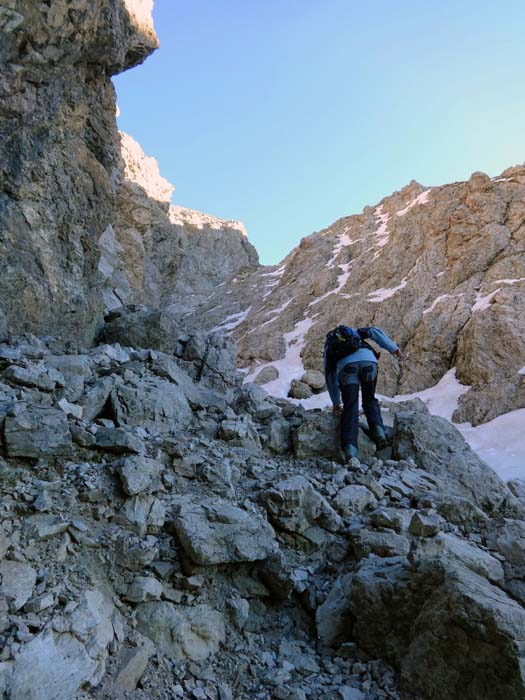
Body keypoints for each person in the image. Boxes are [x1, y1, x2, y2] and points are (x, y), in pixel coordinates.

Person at [323, 325, 404, 462]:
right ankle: (379, 432)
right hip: (369, 362)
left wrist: (336, 403)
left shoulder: (330, 346)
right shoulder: (356, 333)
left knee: (351, 408)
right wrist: (394, 349)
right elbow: (374, 332)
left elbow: (330, 375)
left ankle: (350, 451)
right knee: (369, 399)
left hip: (347, 368)